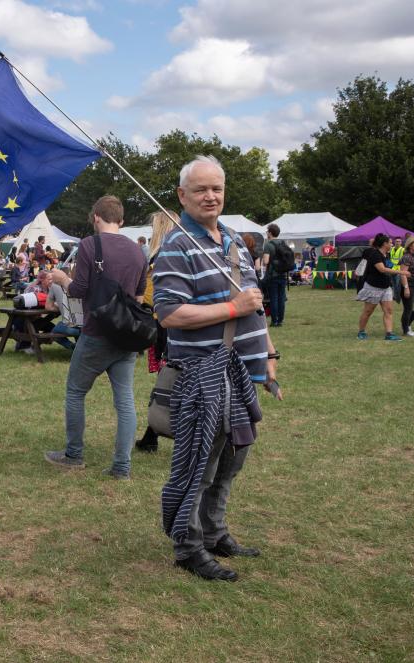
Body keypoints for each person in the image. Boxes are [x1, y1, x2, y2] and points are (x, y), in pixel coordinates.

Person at [153, 156, 280, 582]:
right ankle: (188, 547)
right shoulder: (176, 245)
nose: (211, 196)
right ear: (182, 195)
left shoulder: (231, 238)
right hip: (203, 373)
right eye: (201, 189)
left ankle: (215, 531)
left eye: (217, 189)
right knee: (199, 464)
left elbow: (253, 304)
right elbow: (168, 313)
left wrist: (269, 354)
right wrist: (231, 307)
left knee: (232, 458)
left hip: (240, 370)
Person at [46, 195, 148, 479]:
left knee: (76, 392)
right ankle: (121, 467)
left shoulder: (90, 245)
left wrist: (61, 279)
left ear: (96, 218)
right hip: (127, 336)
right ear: (122, 220)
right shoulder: (139, 252)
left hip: (96, 333)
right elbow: (138, 297)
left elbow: (78, 289)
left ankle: (74, 455)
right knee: (125, 401)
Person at [135, 210, 179, 453]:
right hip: (166, 322)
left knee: (170, 380)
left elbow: (154, 293)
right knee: (169, 380)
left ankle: (154, 433)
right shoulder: (166, 255)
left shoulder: (163, 256)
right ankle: (152, 433)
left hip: (166, 324)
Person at [357, 233, 409, 341]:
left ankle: (389, 334)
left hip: (386, 287)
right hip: (373, 287)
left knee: (389, 311)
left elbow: (387, 268)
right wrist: (401, 272)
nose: (392, 244)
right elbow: (382, 269)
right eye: (390, 242)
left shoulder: (386, 254)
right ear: (385, 244)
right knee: (368, 311)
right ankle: (361, 332)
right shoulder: (375, 254)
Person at [45, 264, 81, 350]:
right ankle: (78, 348)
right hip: (84, 326)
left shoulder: (54, 286)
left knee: (53, 332)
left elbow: (48, 307)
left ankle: (71, 346)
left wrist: (59, 308)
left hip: (69, 327)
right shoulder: (75, 284)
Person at [261, 224, 288, 327]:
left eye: (267, 231)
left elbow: (266, 261)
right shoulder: (283, 243)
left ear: (270, 233)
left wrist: (264, 260)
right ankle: (280, 320)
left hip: (273, 274)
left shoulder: (268, 245)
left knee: (274, 298)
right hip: (283, 273)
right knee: (281, 297)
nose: (266, 233)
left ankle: (274, 321)